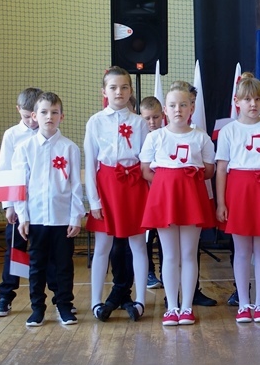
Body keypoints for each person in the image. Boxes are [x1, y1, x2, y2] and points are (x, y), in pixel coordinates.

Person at [140, 81, 216, 326]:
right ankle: (172, 306)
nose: (178, 110)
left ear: (191, 107)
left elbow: (209, 170)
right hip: (165, 200)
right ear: (165, 109)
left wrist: (185, 182)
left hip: (191, 199)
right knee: (170, 255)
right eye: (172, 105)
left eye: (183, 105)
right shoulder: (155, 137)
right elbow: (145, 170)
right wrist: (167, 183)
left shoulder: (201, 137)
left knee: (189, 254)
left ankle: (187, 307)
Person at [216, 73, 260, 323]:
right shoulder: (229, 131)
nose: (253, 104)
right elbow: (221, 169)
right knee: (242, 250)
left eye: (257, 99)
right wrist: (221, 202)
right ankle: (244, 303)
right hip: (239, 192)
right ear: (237, 101)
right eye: (247, 99)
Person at [85, 66, 150, 322]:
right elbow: (91, 163)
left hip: (134, 185)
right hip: (107, 186)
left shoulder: (139, 123)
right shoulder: (95, 122)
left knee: (138, 244)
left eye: (124, 87)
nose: (119, 92)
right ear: (104, 91)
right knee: (103, 245)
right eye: (113, 87)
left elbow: (146, 160)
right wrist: (94, 201)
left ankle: (141, 300)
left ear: (130, 90)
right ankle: (96, 302)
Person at [12, 92, 83, 327]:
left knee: (63, 265)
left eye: (54, 112)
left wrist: (76, 216)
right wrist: (23, 217)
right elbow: (20, 185)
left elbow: (75, 185)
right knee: (37, 266)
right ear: (34, 116)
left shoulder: (70, 148)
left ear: (62, 116)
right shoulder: (24, 148)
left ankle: (64, 306)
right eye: (43, 112)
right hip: (36, 219)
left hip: (62, 219)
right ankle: (37, 309)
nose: (49, 116)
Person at [0, 87, 43, 317]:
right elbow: (5, 169)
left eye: (34, 116)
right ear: (18, 111)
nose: (32, 122)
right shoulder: (11, 135)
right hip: (19, 204)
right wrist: (9, 205)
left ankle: (56, 299)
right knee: (15, 249)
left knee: (47, 251)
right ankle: (6, 297)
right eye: (26, 116)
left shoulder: (48, 132)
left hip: (42, 204)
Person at [139, 95, 164, 289]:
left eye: (155, 117)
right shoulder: (139, 138)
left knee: (165, 236)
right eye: (147, 118)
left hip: (164, 195)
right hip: (144, 194)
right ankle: (149, 272)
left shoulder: (167, 135)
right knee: (146, 236)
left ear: (163, 115)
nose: (152, 122)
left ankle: (166, 272)